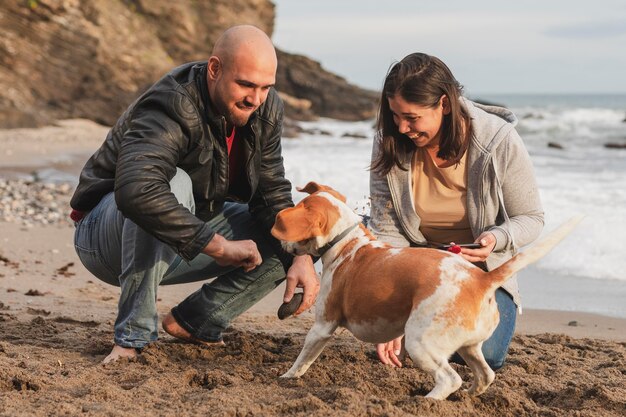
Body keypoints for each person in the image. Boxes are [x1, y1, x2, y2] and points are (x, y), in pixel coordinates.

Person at [69, 25, 319, 364]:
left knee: (301, 232)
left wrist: (302, 254)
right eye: (245, 84)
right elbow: (137, 190)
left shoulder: (266, 109)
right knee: (173, 184)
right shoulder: (172, 102)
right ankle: (133, 338)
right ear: (215, 69)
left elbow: (272, 192)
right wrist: (218, 245)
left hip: (186, 233)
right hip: (103, 238)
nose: (256, 99)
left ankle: (197, 321)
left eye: (265, 87)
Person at [368, 53, 544, 370]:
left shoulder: (498, 140)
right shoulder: (389, 141)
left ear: (444, 105)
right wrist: (391, 307)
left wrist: (497, 236)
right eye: (395, 115)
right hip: (416, 265)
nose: (401, 127)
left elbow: (532, 218)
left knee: (484, 356)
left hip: (481, 270)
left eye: (412, 117)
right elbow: (386, 228)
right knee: (387, 341)